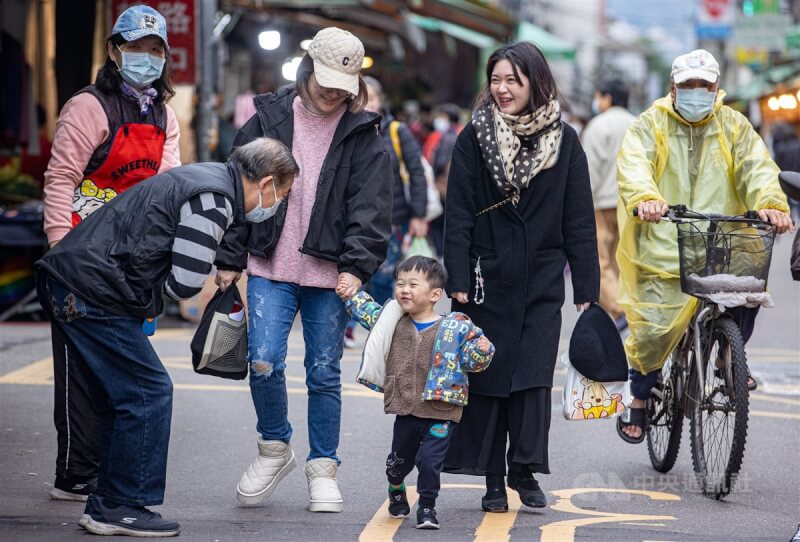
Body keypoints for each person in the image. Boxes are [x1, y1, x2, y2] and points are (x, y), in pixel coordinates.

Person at [35, 137, 299, 537]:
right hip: (93, 289)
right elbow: (188, 280)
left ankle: (106, 501)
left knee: (120, 395)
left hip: (76, 280)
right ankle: (121, 505)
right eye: (284, 192)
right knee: (148, 391)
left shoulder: (205, 177)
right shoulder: (215, 199)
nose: (280, 202)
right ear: (266, 183)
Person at [213, 27, 392, 513]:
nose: (333, 93)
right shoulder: (267, 116)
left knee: (323, 371)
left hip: (330, 274)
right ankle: (274, 448)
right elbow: (236, 187)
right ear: (307, 66)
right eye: (327, 81)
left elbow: (372, 208)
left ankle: (323, 468)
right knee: (263, 358)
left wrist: (357, 266)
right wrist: (230, 256)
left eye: (343, 85)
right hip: (270, 262)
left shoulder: (364, 133)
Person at [442, 42, 599, 512]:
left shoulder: (565, 141)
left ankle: (524, 470)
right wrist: (457, 275)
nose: (503, 88)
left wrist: (587, 287)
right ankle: (492, 476)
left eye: (513, 79)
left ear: (535, 82)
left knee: (532, 378)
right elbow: (459, 212)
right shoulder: (474, 137)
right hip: (484, 276)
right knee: (487, 378)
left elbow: (579, 219)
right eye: (496, 80)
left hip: (542, 278)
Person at [615, 49, 793, 443]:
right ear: (673, 89)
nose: (697, 93)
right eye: (688, 86)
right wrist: (646, 197)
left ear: (716, 89)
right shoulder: (651, 124)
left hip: (721, 240)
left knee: (747, 290)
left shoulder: (734, 126)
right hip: (664, 240)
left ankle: (731, 353)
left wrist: (770, 203)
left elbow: (756, 167)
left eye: (704, 86)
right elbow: (634, 165)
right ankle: (640, 397)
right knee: (652, 330)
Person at [40, 4, 180, 503]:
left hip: (131, 257)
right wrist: (60, 247)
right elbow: (59, 180)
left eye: (154, 50)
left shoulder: (163, 114)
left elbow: (168, 187)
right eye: (136, 48)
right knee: (80, 369)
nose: (145, 58)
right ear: (114, 50)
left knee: (122, 366)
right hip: (78, 254)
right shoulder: (88, 106)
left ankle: (106, 468)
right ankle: (78, 472)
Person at [344, 256, 495, 530]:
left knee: (429, 461)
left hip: (442, 409)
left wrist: (482, 351)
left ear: (435, 294)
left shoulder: (456, 328)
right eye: (400, 283)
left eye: (413, 284)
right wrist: (351, 294)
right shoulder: (393, 321)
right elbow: (366, 311)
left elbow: (473, 360)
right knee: (397, 463)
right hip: (406, 407)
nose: (404, 289)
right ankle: (396, 485)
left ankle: (427, 506)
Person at [342, 75, 428, 348]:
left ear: (381, 102)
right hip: (353, 217)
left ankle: (375, 323)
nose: (365, 105)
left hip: (393, 218)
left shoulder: (396, 131)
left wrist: (419, 214)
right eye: (359, 99)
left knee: (383, 275)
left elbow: (416, 172)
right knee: (356, 272)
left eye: (371, 99)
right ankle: (351, 326)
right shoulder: (346, 130)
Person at [580, 78, 635, 328]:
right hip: (634, 204)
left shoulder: (598, 126)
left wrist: (581, 205)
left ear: (608, 98)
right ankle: (629, 309)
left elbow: (589, 169)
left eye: (599, 96)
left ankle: (618, 309)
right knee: (624, 261)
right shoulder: (638, 124)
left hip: (602, 202)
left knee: (599, 262)